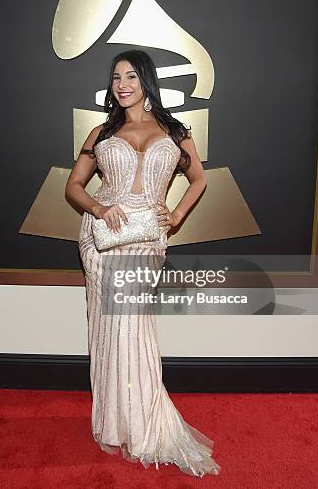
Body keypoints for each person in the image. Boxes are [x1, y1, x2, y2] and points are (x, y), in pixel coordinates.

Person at [65, 49, 221, 477]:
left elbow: (199, 178)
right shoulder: (101, 131)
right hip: (102, 240)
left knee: (133, 327)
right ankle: (115, 421)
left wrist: (177, 215)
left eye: (131, 76)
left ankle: (144, 422)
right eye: (116, 77)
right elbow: (74, 185)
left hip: (147, 241)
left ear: (146, 80)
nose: (122, 83)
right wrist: (97, 210)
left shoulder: (173, 131)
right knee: (107, 328)